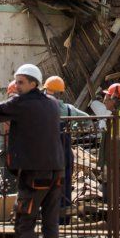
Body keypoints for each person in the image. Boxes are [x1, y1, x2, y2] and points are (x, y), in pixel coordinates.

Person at [0, 64, 64, 238]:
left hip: (35, 174)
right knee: (50, 225)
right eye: (16, 81)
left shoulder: (21, 103)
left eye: (20, 82)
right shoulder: (52, 103)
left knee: (24, 224)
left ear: (33, 83)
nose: (16, 86)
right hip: (57, 171)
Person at [43, 75, 86, 221]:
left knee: (47, 185)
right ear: (60, 92)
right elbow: (86, 119)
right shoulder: (69, 109)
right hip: (65, 153)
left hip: (48, 153)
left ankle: (49, 218)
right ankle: (64, 219)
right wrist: (73, 126)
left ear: (49, 92)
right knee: (65, 184)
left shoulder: (43, 108)